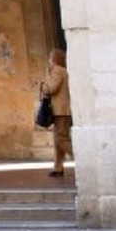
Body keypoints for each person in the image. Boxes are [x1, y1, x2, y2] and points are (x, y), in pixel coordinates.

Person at [43, 48, 73, 177]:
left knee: (61, 139)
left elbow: (52, 89)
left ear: (54, 60)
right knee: (58, 140)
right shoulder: (64, 71)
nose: (49, 61)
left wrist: (43, 85)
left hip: (61, 110)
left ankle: (80, 158)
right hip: (63, 109)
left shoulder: (57, 71)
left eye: (50, 58)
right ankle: (58, 167)